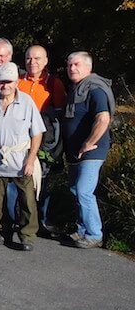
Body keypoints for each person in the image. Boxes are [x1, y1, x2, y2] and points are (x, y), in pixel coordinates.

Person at [0, 62, 46, 251]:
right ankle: (1, 232)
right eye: (1, 82)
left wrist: (31, 159)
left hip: (21, 159)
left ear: (16, 82)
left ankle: (27, 236)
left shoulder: (27, 102)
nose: (5, 86)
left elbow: (37, 133)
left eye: (9, 82)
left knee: (27, 201)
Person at [63, 51, 114, 248]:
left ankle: (94, 234)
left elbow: (103, 119)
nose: (72, 68)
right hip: (77, 151)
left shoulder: (95, 90)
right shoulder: (77, 89)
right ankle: (82, 230)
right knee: (76, 189)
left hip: (92, 151)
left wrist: (87, 143)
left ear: (88, 67)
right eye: (69, 65)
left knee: (84, 191)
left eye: (76, 65)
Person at [17, 45, 67, 233]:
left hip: (45, 141)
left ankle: (41, 221)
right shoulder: (17, 81)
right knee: (19, 179)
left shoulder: (54, 83)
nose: (32, 62)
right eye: (29, 58)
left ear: (46, 61)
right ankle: (19, 219)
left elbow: (60, 115)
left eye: (37, 58)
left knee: (43, 183)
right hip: (20, 139)